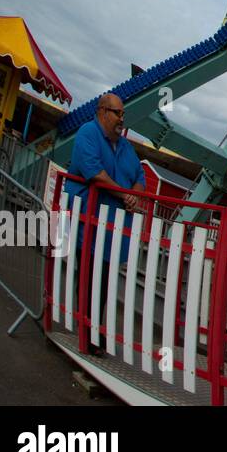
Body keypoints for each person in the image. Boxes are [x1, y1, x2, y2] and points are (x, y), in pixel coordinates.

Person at [66, 93, 146, 356]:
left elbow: (139, 174)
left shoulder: (124, 146)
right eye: (117, 113)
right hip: (87, 223)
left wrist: (134, 194)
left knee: (103, 279)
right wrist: (126, 195)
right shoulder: (87, 134)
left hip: (111, 229)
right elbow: (95, 173)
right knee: (90, 275)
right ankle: (87, 332)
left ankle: (93, 330)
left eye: (122, 114)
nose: (121, 119)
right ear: (102, 112)